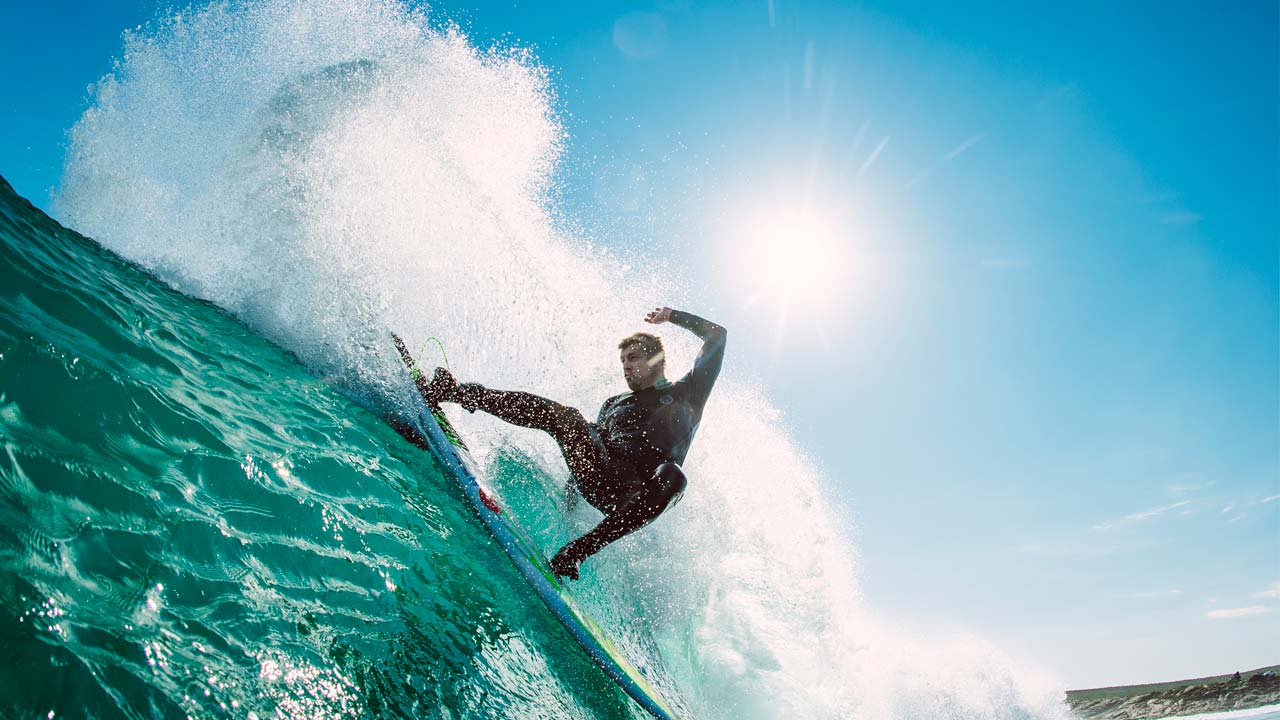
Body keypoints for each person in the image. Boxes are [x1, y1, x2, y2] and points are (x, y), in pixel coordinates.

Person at [405, 306, 726, 580]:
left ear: (657, 360)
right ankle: (456, 393)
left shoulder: (689, 394)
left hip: (636, 494)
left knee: (675, 476)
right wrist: (569, 501)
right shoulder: (614, 403)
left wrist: (671, 316)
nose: (627, 366)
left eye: (634, 358)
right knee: (570, 419)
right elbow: (591, 444)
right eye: (623, 360)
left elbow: (718, 336)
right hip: (602, 477)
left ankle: (581, 549)